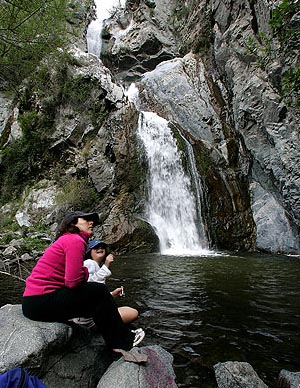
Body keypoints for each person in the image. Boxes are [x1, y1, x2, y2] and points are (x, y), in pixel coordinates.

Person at [22, 211, 144, 350]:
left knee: (96, 294)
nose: (91, 222)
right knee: (98, 291)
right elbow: (73, 281)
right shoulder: (74, 240)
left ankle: (114, 339)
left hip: (33, 303)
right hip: (39, 302)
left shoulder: (67, 240)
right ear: (73, 223)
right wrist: (85, 272)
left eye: (92, 220)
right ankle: (122, 342)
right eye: (86, 219)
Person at [72, 240, 139, 327]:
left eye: (102, 247)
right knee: (132, 313)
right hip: (85, 318)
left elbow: (95, 295)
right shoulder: (89, 263)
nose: (100, 248)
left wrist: (112, 294)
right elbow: (90, 286)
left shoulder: (95, 265)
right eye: (96, 247)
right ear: (89, 251)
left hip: (87, 314)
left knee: (129, 311)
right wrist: (106, 265)